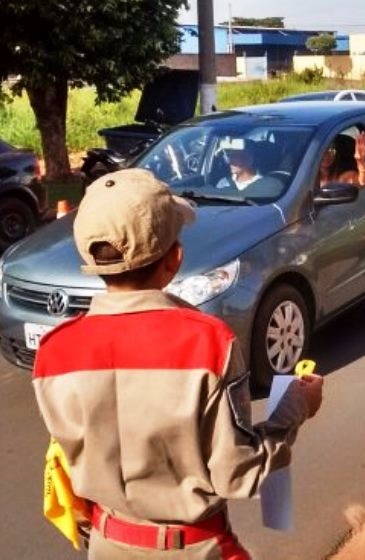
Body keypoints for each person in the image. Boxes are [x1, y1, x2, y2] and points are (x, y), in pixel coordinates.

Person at [32, 169, 324, 559]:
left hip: (105, 544)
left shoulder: (54, 352)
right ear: (175, 259)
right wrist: (295, 408)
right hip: (195, 548)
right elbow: (239, 472)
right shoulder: (208, 343)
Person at [215, 139, 283, 196]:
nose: (230, 161)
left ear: (249, 159)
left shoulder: (266, 186)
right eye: (230, 156)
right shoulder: (223, 183)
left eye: (236, 156)